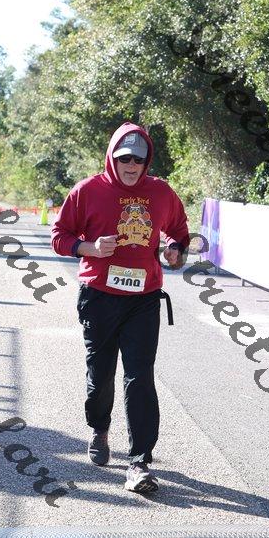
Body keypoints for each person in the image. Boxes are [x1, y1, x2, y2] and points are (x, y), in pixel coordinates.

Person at [51, 122, 189, 494]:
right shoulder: (87, 191)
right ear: (112, 157)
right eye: (124, 158)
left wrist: (174, 250)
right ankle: (100, 428)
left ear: (147, 161)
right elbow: (59, 237)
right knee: (101, 376)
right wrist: (90, 248)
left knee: (139, 376)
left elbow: (178, 232)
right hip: (99, 296)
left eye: (138, 160)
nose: (131, 165)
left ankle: (139, 462)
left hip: (144, 299)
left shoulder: (161, 192)